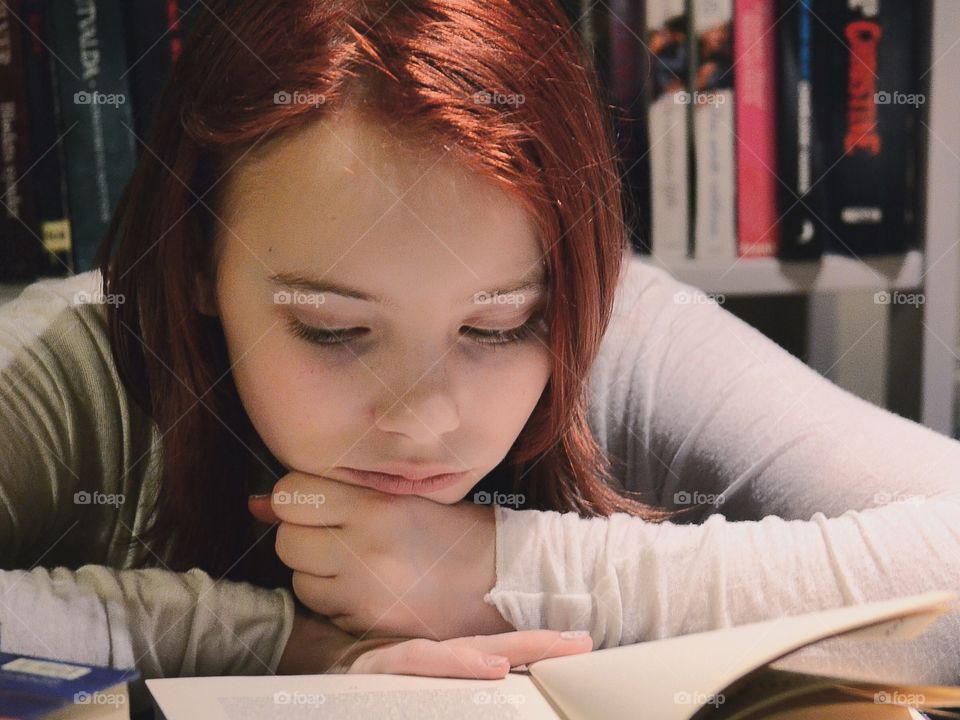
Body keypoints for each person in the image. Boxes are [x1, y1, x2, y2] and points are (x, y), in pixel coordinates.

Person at [2, 0, 960, 716]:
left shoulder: (620, 334)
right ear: (200, 264)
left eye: (497, 328)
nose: (424, 420)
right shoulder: (77, 372)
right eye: (333, 331)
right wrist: (283, 646)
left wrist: (503, 568)